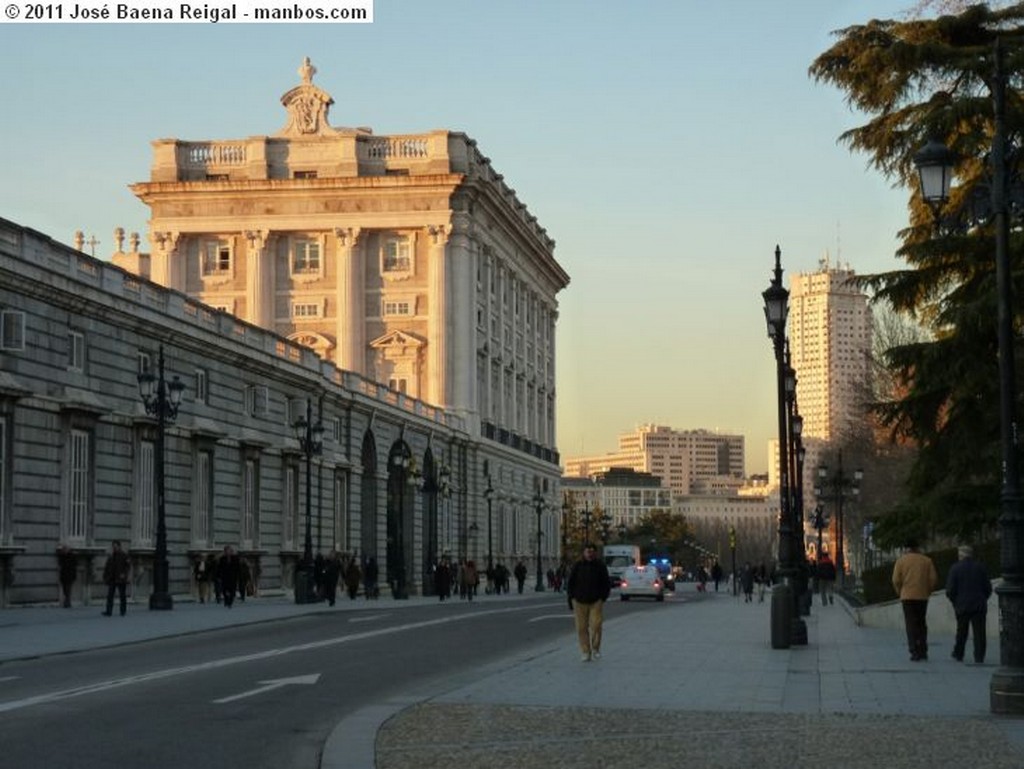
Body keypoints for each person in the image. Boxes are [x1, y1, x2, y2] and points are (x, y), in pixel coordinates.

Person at [891, 538, 939, 661]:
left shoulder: (901, 561)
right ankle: (923, 649)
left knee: (910, 623)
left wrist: (900, 591)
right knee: (921, 622)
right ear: (918, 548)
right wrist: (927, 591)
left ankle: (914, 650)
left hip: (907, 596)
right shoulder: (927, 561)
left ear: (906, 549)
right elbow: (933, 579)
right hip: (922, 596)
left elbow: (896, 580)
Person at [946, 544, 992, 664]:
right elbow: (987, 587)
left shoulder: (955, 568)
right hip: (979, 604)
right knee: (980, 632)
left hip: (962, 604)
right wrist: (983, 598)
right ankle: (979, 656)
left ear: (960, 555)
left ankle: (959, 653)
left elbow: (950, 589)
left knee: (961, 631)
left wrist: (955, 601)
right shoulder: (980, 567)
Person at [566, 543, 611, 662]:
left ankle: (595, 649)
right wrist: (571, 598)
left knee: (596, 625)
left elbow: (606, 582)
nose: (590, 554)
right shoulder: (578, 565)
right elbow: (570, 583)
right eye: (587, 551)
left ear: (595, 553)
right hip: (579, 600)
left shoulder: (600, 566)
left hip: (596, 600)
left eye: (592, 551)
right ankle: (585, 651)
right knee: (581, 627)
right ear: (584, 553)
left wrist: (603, 597)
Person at [101, 540, 130, 617]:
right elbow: (107, 567)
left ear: (119, 546)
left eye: (116, 546)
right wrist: (105, 576)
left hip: (120, 578)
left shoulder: (124, 555)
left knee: (122, 595)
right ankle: (108, 611)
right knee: (110, 596)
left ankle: (123, 610)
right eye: (113, 546)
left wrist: (124, 574)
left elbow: (127, 566)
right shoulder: (111, 556)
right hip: (112, 578)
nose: (114, 548)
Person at [57, 544, 77, 608]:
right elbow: (60, 564)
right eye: (63, 549)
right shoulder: (62, 556)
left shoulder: (72, 556)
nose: (64, 550)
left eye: (65, 549)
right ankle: (67, 601)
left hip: (69, 576)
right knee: (65, 590)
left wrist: (74, 575)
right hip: (64, 576)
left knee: (68, 590)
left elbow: (74, 566)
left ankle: (67, 602)